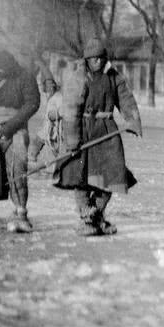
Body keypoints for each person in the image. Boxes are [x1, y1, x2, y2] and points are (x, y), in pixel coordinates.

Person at [54, 38, 142, 236]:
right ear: (87, 59)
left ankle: (95, 216)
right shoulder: (79, 77)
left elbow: (126, 99)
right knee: (81, 178)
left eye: (101, 58)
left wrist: (132, 121)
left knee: (112, 176)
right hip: (84, 131)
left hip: (107, 132)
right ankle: (88, 219)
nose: (98, 62)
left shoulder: (113, 76)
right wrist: (72, 140)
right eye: (94, 58)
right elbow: (70, 110)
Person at [0, 49, 41, 232]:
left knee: (17, 169)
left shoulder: (25, 77)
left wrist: (9, 126)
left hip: (16, 130)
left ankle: (21, 211)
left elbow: (32, 103)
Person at [28, 68, 63, 169]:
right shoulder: (50, 97)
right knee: (39, 140)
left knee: (56, 147)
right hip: (48, 127)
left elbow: (62, 112)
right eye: (47, 84)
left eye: (51, 84)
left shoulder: (58, 97)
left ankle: (60, 164)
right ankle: (32, 159)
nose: (49, 87)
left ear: (54, 85)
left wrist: (55, 115)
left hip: (56, 127)